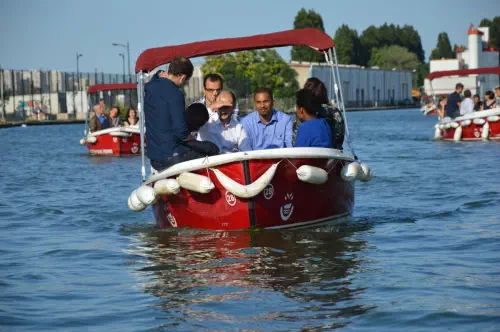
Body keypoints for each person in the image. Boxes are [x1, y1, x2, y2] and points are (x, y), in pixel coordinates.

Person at [144, 56, 218, 173]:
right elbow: (181, 133)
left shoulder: (151, 86)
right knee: (212, 149)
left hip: (154, 158)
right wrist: (193, 140)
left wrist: (159, 73)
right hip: (173, 156)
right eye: (186, 80)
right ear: (182, 77)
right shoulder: (176, 94)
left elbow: (156, 76)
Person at [303, 77, 345, 150]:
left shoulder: (303, 112)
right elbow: (340, 138)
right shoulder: (335, 112)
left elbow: (296, 137)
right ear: (324, 93)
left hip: (306, 154)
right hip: (333, 154)